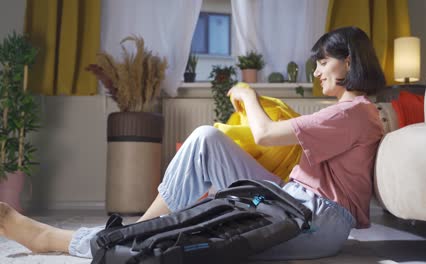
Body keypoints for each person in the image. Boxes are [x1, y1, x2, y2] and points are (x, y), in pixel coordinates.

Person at [0, 26, 385, 259]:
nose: (317, 71)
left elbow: (265, 133)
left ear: (348, 62)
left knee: (190, 239)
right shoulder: (348, 113)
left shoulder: (352, 113)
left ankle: (65, 240)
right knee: (205, 139)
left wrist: (248, 93)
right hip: (292, 200)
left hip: (314, 220)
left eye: (323, 62)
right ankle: (139, 227)